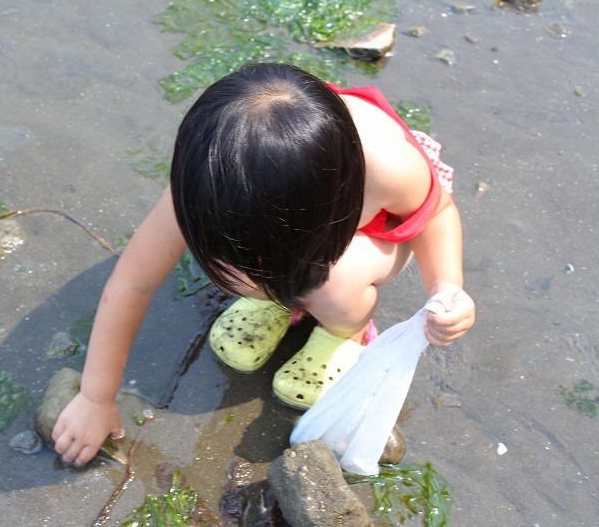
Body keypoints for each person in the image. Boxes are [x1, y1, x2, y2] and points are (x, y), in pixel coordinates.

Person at [53, 63, 476, 467]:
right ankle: (285, 297)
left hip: (377, 232)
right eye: (239, 263)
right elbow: (130, 284)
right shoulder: (213, 179)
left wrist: (446, 287)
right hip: (311, 225)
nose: (245, 276)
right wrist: (95, 397)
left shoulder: (389, 170)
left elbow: (437, 215)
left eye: (264, 270)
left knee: (334, 282)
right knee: (278, 274)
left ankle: (344, 331)